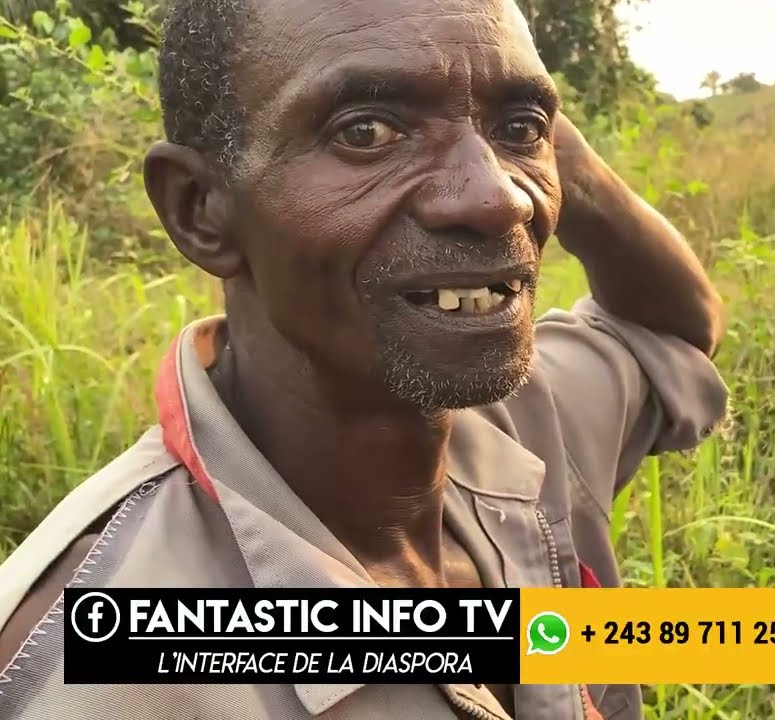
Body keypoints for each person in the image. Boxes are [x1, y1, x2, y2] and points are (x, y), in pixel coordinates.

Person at [0, 0, 727, 716]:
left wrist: (542, 139)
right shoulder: (97, 672)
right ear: (200, 208)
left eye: (520, 129)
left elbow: (669, 329)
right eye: (367, 131)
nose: (499, 199)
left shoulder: (523, 423)